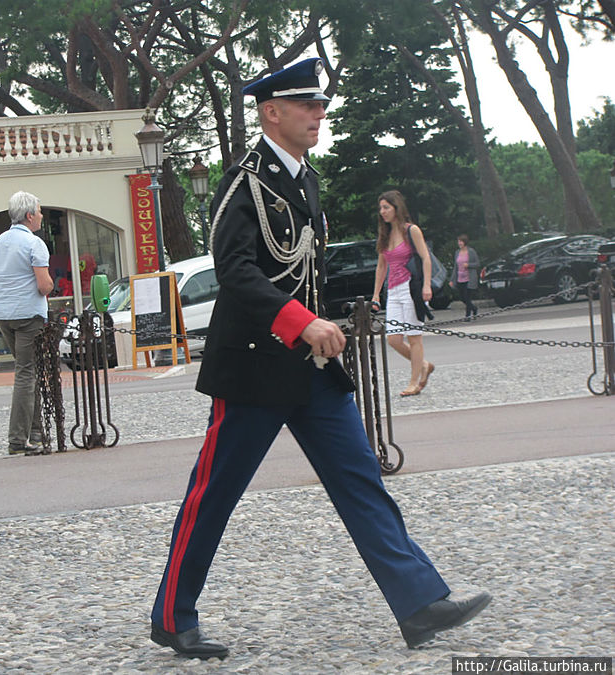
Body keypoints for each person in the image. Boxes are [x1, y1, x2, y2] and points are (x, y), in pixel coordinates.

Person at [148, 59, 490, 660]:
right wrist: (300, 322)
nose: (318, 114)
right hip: (255, 367)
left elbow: (307, 271)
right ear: (270, 112)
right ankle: (173, 615)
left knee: (362, 481)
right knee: (214, 493)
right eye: (306, 105)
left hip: (310, 366)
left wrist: (317, 326)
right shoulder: (243, 181)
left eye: (320, 105)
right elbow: (236, 272)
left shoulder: (305, 180)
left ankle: (418, 603)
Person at [0, 191, 54, 456]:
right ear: (29, 216)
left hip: (3, 314)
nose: (41, 215)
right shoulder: (34, 244)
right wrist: (50, 285)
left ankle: (36, 432)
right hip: (28, 314)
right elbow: (43, 284)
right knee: (26, 373)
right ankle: (18, 437)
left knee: (29, 370)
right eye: (38, 211)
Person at [371, 190, 435, 396]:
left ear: (396, 208)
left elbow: (426, 258)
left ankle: (414, 382)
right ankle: (424, 365)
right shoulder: (385, 235)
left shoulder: (411, 230)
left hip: (411, 288)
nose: (382, 212)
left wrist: (427, 286)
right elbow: (381, 267)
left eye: (386, 207)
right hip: (393, 291)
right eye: (381, 208)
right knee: (393, 339)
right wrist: (375, 295)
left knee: (414, 337)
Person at [452, 234, 479, 319]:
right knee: (462, 297)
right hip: (460, 278)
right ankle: (474, 308)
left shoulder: (471, 251)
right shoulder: (457, 252)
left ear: (465, 242)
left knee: (467, 297)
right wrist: (452, 279)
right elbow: (455, 267)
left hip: (469, 278)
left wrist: (468, 265)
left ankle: (468, 315)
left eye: (461, 241)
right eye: (458, 241)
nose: (459, 243)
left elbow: (477, 264)